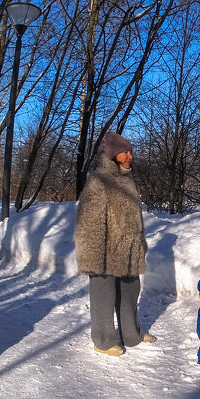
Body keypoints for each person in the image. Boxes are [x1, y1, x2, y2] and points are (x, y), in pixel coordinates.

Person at [75, 131, 155, 356]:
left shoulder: (127, 179)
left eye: (130, 152)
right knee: (104, 295)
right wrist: (92, 256)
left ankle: (132, 334)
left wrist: (139, 243)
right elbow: (88, 221)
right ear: (113, 155)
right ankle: (103, 340)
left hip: (129, 249)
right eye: (125, 152)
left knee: (131, 290)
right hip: (105, 250)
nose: (130, 156)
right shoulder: (99, 181)